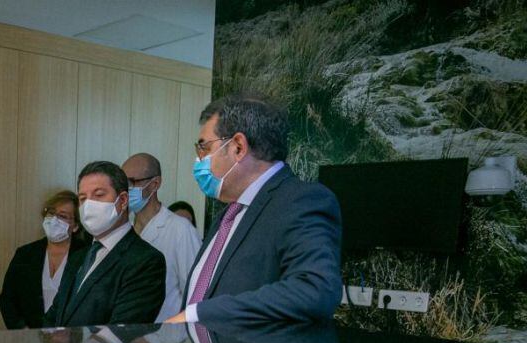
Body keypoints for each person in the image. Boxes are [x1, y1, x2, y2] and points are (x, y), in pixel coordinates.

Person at [167, 93, 342, 326]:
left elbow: (315, 289)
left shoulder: (302, 201)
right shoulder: (228, 214)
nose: (199, 160)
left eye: (204, 148)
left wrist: (199, 314)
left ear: (238, 147)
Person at [44, 161, 166, 328]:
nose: (88, 205)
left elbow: (123, 330)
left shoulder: (145, 261)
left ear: (122, 200)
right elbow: (56, 314)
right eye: (83, 198)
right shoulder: (78, 256)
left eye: (99, 195)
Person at [122, 153, 202, 321]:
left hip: (167, 338)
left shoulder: (181, 230)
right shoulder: (124, 230)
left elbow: (196, 296)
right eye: (123, 183)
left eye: (132, 182)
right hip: (127, 336)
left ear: (155, 184)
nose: (126, 189)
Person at [0, 190, 88, 329]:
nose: (54, 220)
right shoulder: (25, 254)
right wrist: (22, 330)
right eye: (51, 213)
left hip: (72, 338)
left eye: (62, 216)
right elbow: (7, 299)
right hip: (30, 338)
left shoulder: (86, 256)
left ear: (76, 226)